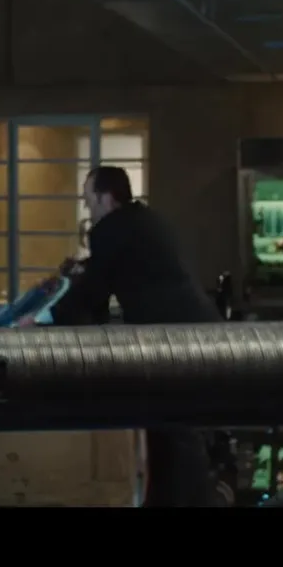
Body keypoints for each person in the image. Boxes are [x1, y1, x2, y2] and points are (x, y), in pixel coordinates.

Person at [27, 166, 221, 507]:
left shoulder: (110, 229)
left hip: (175, 340)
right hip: (197, 332)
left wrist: (41, 320)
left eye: (89, 200)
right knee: (178, 428)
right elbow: (115, 269)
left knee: (174, 432)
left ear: (105, 198)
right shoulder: (144, 219)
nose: (88, 209)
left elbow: (92, 293)